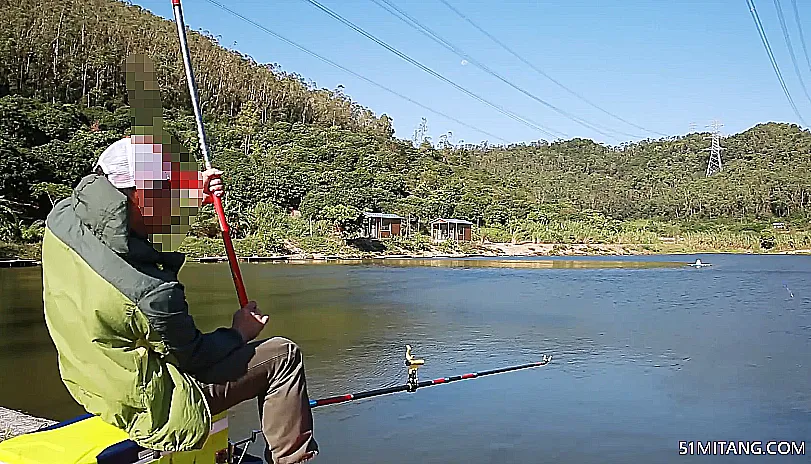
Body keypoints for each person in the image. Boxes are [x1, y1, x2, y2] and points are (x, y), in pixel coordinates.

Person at [41, 135, 318, 464]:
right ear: (139, 195)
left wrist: (190, 194)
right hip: (147, 405)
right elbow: (194, 357)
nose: (177, 200)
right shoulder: (152, 293)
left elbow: (128, 234)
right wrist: (238, 333)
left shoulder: (62, 218)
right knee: (282, 356)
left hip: (88, 379)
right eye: (169, 191)